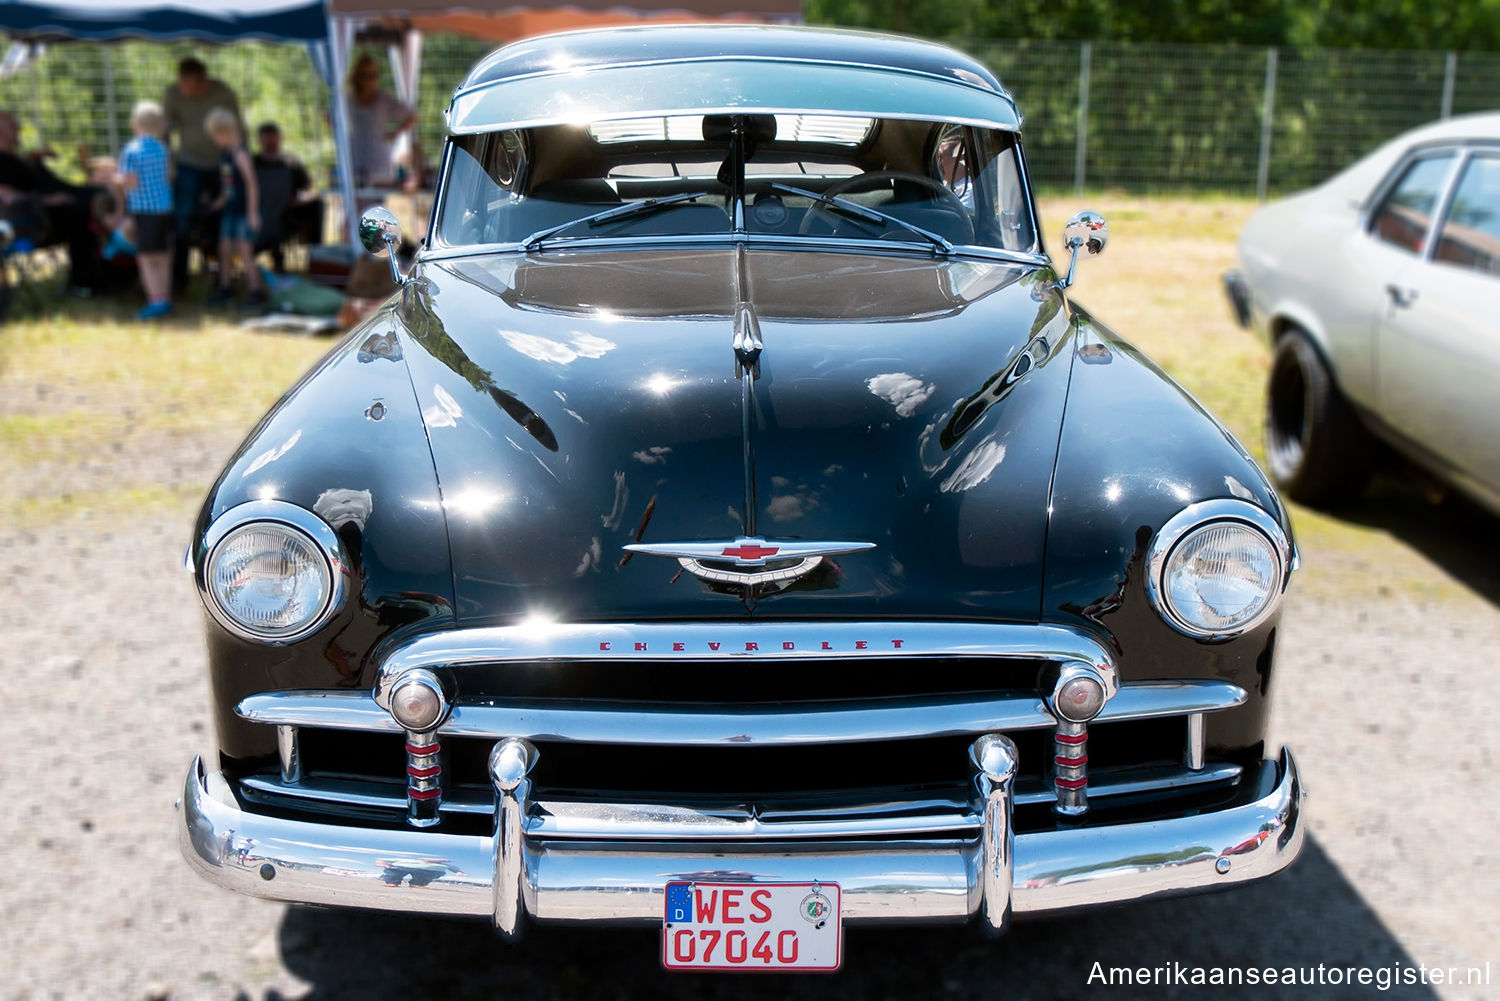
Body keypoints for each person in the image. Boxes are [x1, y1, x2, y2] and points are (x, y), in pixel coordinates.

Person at [0, 110, 105, 293]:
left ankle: (115, 270)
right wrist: (45, 200)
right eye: (12, 126)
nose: (18, 130)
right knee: (81, 212)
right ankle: (82, 281)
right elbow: (5, 192)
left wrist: (32, 160)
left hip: (61, 196)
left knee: (101, 195)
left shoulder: (13, 158)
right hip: (36, 217)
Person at [163, 57, 240, 292]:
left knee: (221, 219)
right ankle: (178, 279)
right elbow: (165, 131)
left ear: (203, 81)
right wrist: (168, 165)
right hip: (188, 164)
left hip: (220, 166)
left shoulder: (223, 93)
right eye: (182, 85)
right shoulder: (172, 94)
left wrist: (237, 161)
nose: (186, 92)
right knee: (183, 219)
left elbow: (238, 128)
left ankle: (222, 278)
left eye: (192, 87)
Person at [115, 101, 174, 319]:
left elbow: (130, 181)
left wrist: (115, 178)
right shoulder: (162, 149)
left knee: (147, 257)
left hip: (144, 210)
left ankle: (155, 301)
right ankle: (165, 298)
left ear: (134, 125)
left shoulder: (132, 150)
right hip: (164, 209)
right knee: (163, 254)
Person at [204, 108, 265, 310]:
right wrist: (218, 202)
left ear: (223, 132)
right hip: (230, 210)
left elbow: (251, 184)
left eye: (214, 136)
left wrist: (253, 212)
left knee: (245, 250)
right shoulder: (226, 155)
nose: (213, 140)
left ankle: (256, 291)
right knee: (223, 249)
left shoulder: (240, 154)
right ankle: (225, 288)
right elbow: (228, 185)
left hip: (243, 212)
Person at [252, 122, 322, 270]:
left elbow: (307, 190)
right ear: (260, 141)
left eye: (273, 139)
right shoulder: (252, 164)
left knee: (317, 206)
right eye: (267, 140)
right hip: (256, 216)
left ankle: (317, 259)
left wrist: (295, 201)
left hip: (287, 216)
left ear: (279, 139)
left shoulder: (291, 163)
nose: (271, 143)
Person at [346, 53, 415, 186]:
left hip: (379, 157)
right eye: (367, 76)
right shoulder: (349, 99)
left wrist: (395, 133)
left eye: (374, 75)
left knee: (375, 201)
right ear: (358, 77)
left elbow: (411, 116)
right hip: (355, 155)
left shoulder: (384, 99)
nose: (371, 80)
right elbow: (330, 116)